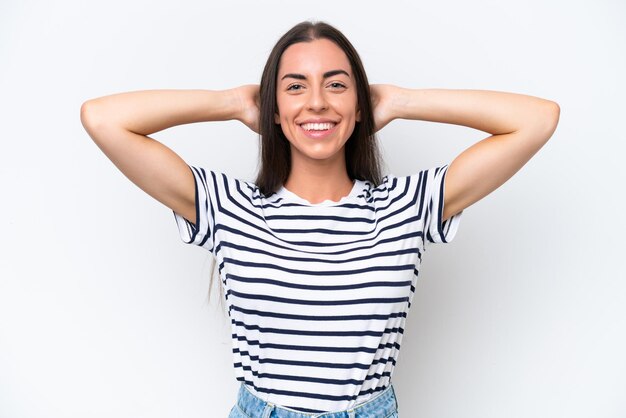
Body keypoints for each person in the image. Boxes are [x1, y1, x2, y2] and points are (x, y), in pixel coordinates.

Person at [80, 20, 559, 418]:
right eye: (294, 87)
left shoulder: (408, 205)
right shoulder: (228, 206)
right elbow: (103, 118)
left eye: (336, 84)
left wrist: (400, 101)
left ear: (358, 105)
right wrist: (232, 102)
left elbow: (538, 118)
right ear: (273, 107)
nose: (317, 102)